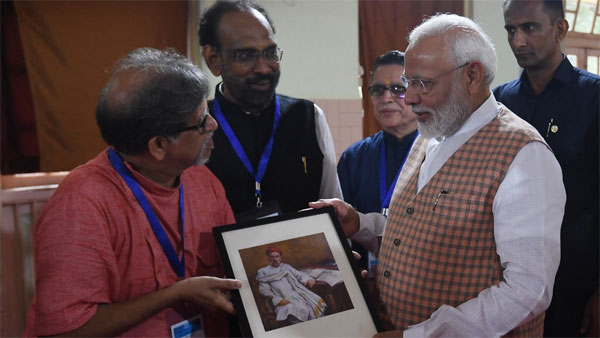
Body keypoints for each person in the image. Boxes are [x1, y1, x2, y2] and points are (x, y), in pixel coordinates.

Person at [311, 13, 566, 336]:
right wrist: (359, 224)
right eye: (409, 82)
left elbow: (528, 291)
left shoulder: (524, 155)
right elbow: (421, 227)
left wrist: (421, 335)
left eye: (422, 83)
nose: (411, 97)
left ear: (472, 76)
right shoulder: (432, 131)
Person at [23, 48, 242, 337]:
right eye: (202, 122)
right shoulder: (81, 204)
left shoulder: (202, 179)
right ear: (159, 146)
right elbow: (65, 333)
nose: (213, 125)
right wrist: (174, 294)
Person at [493, 0, 600, 336]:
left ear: (560, 30)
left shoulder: (594, 98)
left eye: (530, 27)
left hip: (578, 280)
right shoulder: (499, 103)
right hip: (510, 283)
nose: (518, 41)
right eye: (511, 29)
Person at [198, 0, 342, 221]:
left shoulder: (308, 117)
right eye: (245, 56)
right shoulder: (197, 127)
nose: (263, 68)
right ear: (213, 60)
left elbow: (332, 207)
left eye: (270, 53)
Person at [337, 50, 418, 271]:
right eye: (377, 89)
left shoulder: (439, 153)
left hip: (421, 277)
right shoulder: (354, 157)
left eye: (398, 89)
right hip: (366, 276)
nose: (386, 98)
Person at [256, 247, 326, 324]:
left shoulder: (286, 267)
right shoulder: (263, 272)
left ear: (280, 257)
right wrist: (278, 300)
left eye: (277, 256)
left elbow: (299, 274)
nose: (274, 259)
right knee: (298, 309)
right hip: (281, 298)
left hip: (297, 294)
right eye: (272, 257)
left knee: (312, 306)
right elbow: (264, 290)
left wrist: (308, 279)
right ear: (268, 258)